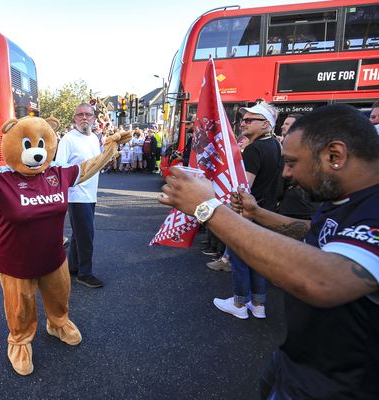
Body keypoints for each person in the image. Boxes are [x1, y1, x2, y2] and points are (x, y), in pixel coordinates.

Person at [159, 104, 379, 399]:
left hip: (342, 385)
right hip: (298, 360)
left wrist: (208, 209)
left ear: (334, 156)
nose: (286, 173)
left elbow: (325, 280)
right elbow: (313, 230)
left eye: (292, 162)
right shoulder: (344, 194)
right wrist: (258, 214)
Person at [214, 101, 282, 319]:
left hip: (249, 214)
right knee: (258, 259)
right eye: (243, 119)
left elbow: (244, 190)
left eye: (250, 119)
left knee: (240, 258)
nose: (243, 122)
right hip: (267, 212)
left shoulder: (254, 149)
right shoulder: (275, 145)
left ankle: (239, 304)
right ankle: (258, 304)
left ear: (266, 124)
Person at [56, 103, 104, 288]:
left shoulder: (94, 138)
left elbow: (98, 162)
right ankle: (85, 273)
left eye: (88, 115)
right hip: (76, 195)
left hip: (91, 194)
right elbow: (60, 167)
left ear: (93, 118)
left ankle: (73, 267)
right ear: (75, 118)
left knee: (79, 234)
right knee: (86, 235)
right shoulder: (68, 139)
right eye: (80, 115)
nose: (84, 118)